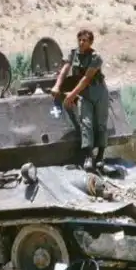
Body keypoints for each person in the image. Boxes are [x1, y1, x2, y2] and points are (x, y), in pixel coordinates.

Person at [51, 29, 109, 172]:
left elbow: (86, 78)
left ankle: (100, 157)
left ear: (91, 42)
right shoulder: (74, 53)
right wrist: (57, 86)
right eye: (80, 40)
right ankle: (89, 156)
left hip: (98, 91)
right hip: (83, 93)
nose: (81, 43)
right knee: (86, 122)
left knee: (101, 123)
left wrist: (71, 95)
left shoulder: (96, 57)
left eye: (85, 40)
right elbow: (65, 70)